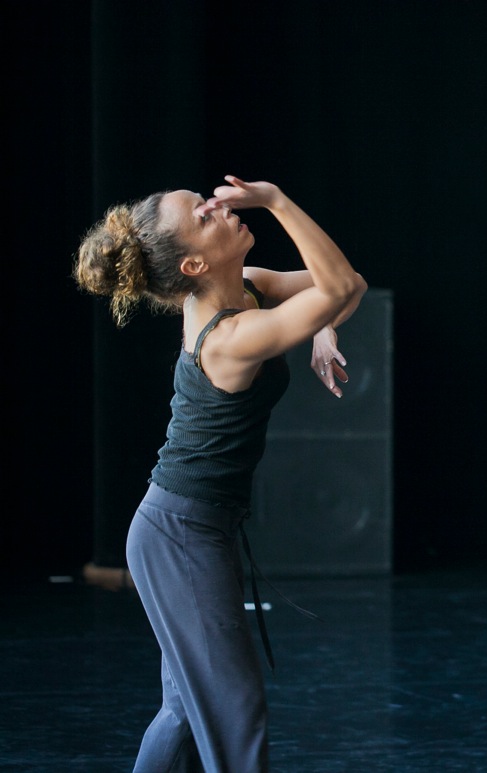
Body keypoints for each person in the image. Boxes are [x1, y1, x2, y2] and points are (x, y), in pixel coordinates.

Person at [74, 174, 367, 773]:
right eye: (204, 215)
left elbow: (347, 284)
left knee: (185, 709)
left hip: (196, 530)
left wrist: (322, 322)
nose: (219, 207)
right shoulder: (228, 337)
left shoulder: (250, 291)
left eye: (206, 200)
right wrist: (278, 200)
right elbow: (335, 285)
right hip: (177, 533)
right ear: (194, 264)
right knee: (233, 711)